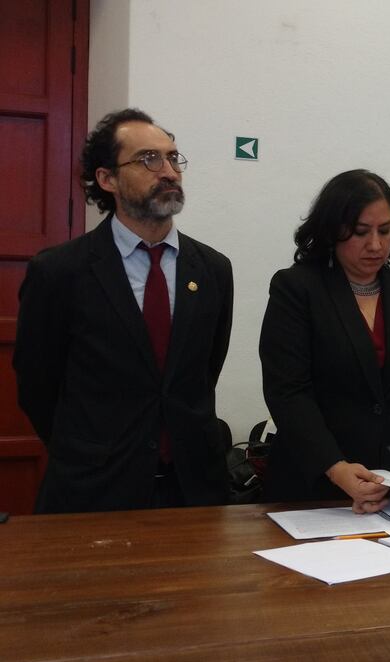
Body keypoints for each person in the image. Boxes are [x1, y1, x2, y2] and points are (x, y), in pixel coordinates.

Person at [13, 108, 234, 513]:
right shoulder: (60, 272)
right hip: (94, 491)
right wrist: (88, 450)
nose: (168, 171)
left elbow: (202, 373)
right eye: (149, 159)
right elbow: (37, 386)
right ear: (107, 178)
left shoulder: (213, 269)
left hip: (193, 491)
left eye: (172, 158)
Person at [259, 169, 390, 513]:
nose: (376, 244)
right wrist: (335, 467)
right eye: (360, 232)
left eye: (385, 231)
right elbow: (288, 392)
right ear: (332, 231)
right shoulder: (296, 289)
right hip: (316, 481)